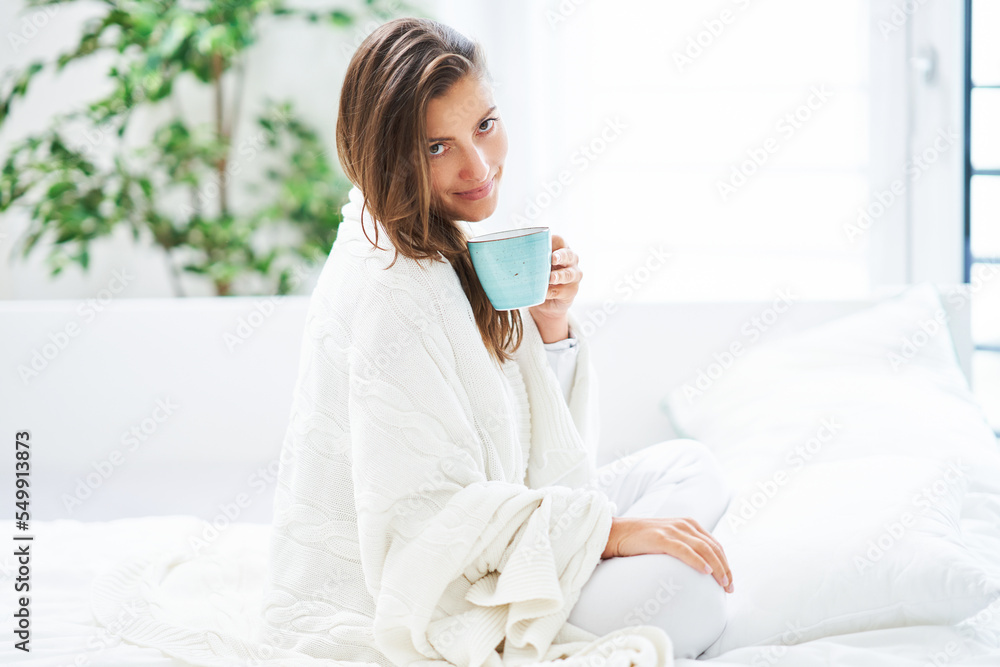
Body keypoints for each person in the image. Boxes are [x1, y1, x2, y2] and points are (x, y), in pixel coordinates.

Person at [259, 16, 735, 666]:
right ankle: (581, 590)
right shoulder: (390, 286)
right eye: (436, 147)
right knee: (690, 597)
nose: (477, 165)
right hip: (437, 589)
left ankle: (590, 573)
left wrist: (549, 329)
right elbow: (426, 517)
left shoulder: (438, 234)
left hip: (518, 538)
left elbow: (527, 446)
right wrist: (610, 536)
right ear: (388, 154)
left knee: (691, 466)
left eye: (484, 125)